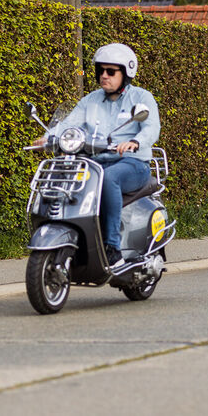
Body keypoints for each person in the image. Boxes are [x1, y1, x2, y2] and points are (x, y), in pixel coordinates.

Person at [36, 43, 160, 269]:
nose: (104, 76)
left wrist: (134, 142)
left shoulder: (142, 98)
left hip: (132, 164)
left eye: (111, 71)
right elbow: (69, 122)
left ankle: (113, 249)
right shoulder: (91, 100)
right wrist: (49, 137)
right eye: (101, 71)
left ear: (126, 73)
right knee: (67, 173)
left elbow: (152, 129)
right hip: (96, 162)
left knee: (109, 178)